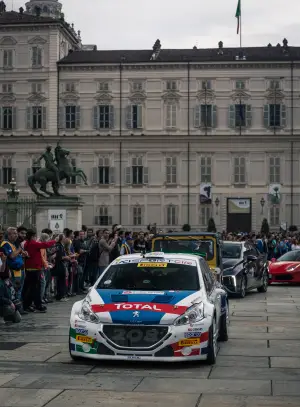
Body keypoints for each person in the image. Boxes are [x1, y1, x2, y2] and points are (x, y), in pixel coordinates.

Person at [22, 229, 56, 312]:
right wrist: (55, 240)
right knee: (35, 288)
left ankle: (28, 305)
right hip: (34, 269)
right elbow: (45, 244)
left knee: (30, 288)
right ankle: (37, 305)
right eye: (35, 236)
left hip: (30, 268)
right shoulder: (33, 243)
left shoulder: (27, 243)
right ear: (32, 236)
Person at [0, 227, 28, 314]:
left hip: (19, 270)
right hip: (12, 271)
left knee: (19, 289)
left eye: (16, 233)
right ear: (8, 234)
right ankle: (16, 310)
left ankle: (19, 308)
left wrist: (22, 254)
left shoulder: (14, 244)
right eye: (14, 233)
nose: (16, 235)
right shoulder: (6, 244)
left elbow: (16, 256)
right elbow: (11, 256)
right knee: (14, 291)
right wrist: (19, 250)